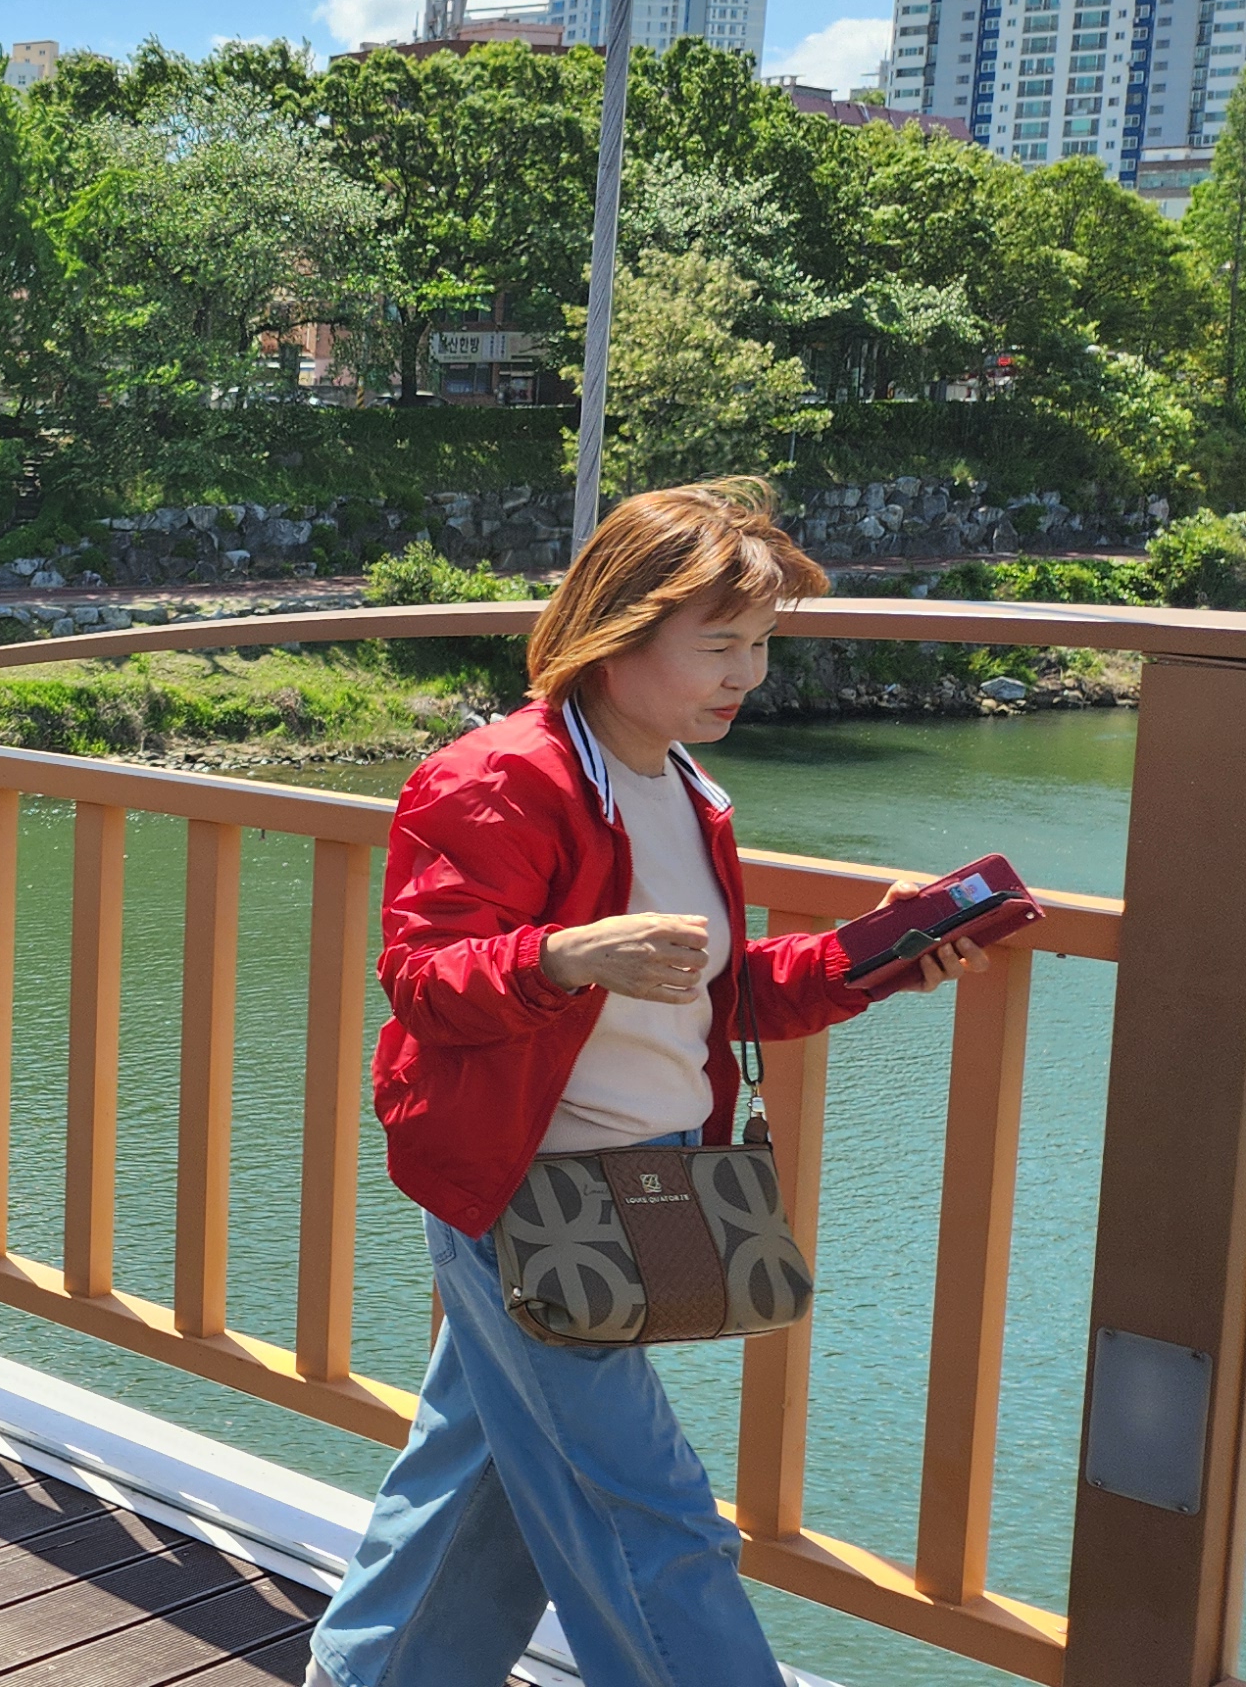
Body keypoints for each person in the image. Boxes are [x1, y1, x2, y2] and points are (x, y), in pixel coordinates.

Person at [305, 479, 984, 1687]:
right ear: (614, 633)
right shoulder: (497, 778)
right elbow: (422, 980)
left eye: (761, 644)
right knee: (651, 1510)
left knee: (481, 1481)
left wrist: (871, 959)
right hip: (529, 1191)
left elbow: (711, 992)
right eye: (718, 645)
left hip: (639, 1180)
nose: (747, 675)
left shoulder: (680, 786)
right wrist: (561, 957)